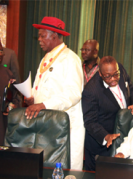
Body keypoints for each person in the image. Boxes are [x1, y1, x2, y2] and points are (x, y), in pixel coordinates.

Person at [24, 16, 84, 170]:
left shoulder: (70, 59)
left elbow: (74, 93)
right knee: (46, 170)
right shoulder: (47, 58)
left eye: (42, 35)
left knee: (64, 173)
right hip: (47, 123)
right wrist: (32, 98)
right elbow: (42, 87)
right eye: (39, 36)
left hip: (65, 125)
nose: (39, 39)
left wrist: (43, 105)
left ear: (55, 36)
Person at [82, 56, 133, 171]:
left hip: (124, 140)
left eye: (116, 74)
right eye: (108, 76)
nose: (113, 79)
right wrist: (105, 136)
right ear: (100, 73)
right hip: (101, 146)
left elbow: (132, 88)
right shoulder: (91, 90)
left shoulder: (120, 69)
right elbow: (90, 121)